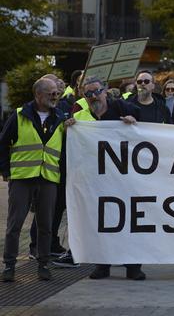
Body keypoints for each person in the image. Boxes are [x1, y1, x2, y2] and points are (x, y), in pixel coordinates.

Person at [64, 76, 142, 279]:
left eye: (97, 91)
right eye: (88, 93)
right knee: (100, 223)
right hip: (95, 180)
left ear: (105, 91)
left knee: (128, 222)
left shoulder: (122, 107)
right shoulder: (79, 116)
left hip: (124, 178)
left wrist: (134, 122)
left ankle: (133, 267)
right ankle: (102, 265)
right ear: (84, 96)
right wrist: (68, 128)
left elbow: (144, 127)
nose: (94, 96)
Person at [1, 78, 65, 282]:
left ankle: (43, 264)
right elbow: (3, 143)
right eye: (51, 93)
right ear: (38, 95)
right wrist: (5, 171)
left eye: (57, 93)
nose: (55, 97)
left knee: (46, 225)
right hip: (22, 178)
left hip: (48, 178)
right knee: (15, 225)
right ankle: (9, 266)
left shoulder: (60, 117)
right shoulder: (20, 115)